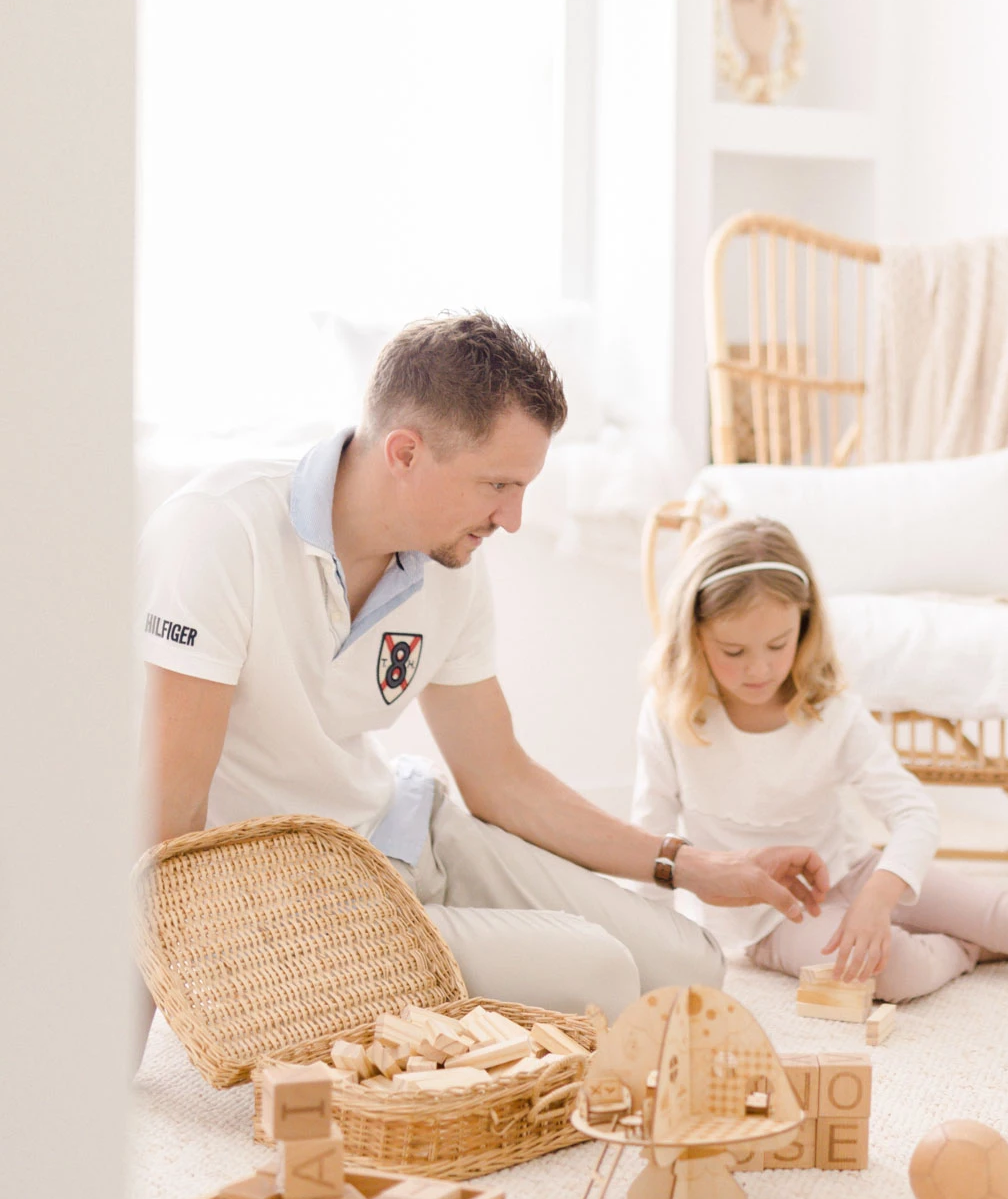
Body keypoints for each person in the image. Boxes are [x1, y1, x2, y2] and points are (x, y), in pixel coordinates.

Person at [138, 314, 828, 1022]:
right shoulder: (221, 531)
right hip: (305, 897)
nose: (514, 518)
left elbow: (499, 778)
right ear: (404, 452)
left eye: (524, 486)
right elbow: (169, 814)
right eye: (497, 484)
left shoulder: (449, 564)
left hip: (407, 829)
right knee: (600, 978)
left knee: (692, 971)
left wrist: (701, 865)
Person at [633, 516, 1008, 999]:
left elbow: (914, 813)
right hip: (769, 919)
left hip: (853, 871)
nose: (760, 668)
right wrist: (645, 944)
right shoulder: (671, 715)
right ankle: (969, 950)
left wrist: (878, 896)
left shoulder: (830, 709)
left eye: (778, 644)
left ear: (805, 626)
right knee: (889, 971)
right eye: (734, 650)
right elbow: (650, 837)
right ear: (695, 637)